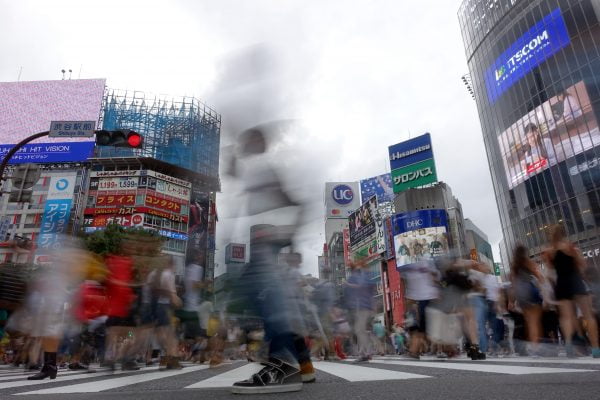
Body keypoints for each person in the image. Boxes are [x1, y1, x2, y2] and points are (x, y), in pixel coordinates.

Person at [543, 225, 600, 358]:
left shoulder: (548, 252)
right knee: (588, 315)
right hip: (575, 281)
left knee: (566, 317)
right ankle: (596, 348)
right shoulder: (571, 247)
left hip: (561, 284)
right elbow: (582, 265)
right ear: (564, 233)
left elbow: (550, 271)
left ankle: (568, 344)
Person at [510, 245, 544, 356]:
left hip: (521, 294)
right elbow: (539, 275)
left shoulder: (514, 266)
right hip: (530, 290)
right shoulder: (527, 261)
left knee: (529, 322)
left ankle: (532, 346)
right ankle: (536, 347)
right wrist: (542, 283)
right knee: (535, 322)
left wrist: (511, 300)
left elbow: (513, 285)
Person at [345, 259, 375, 362]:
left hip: (364, 306)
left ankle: (366, 353)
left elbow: (361, 286)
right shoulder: (364, 275)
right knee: (360, 330)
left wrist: (349, 285)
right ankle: (364, 352)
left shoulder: (364, 275)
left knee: (359, 330)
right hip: (362, 306)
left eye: (359, 265)